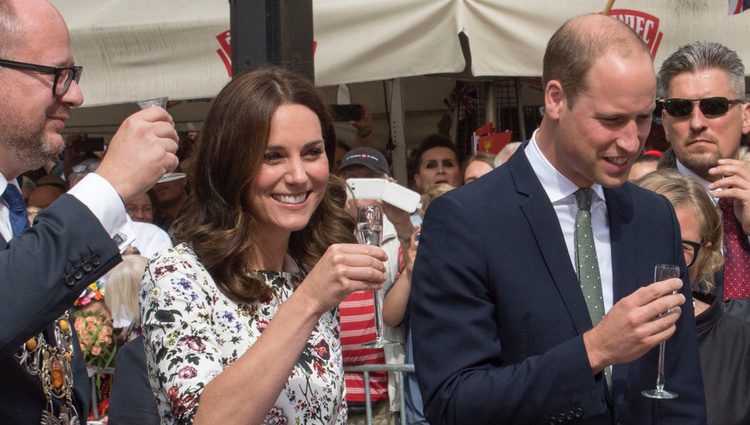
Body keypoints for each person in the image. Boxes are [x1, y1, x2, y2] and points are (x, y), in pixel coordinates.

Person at [410, 14, 705, 425]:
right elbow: (454, 401)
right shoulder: (466, 220)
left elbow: (678, 386)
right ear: (555, 98)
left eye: (642, 118)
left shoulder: (653, 217)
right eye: (611, 120)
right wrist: (593, 351)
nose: (632, 141)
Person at [140, 67, 388, 425]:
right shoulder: (177, 275)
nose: (299, 175)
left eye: (312, 152)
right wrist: (307, 303)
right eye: (273, 156)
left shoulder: (305, 272)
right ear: (230, 162)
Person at [0, 0, 178, 423]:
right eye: (58, 75)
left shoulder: (12, 205)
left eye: (73, 76)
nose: (75, 95)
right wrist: (109, 185)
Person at [638, 169, 750, 425]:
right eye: (648, 243)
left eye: (682, 248)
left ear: (706, 251)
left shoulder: (740, 343)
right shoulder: (594, 324)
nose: (662, 262)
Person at [657, 41, 750, 302]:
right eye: (681, 109)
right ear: (665, 123)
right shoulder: (640, 207)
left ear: (745, 117)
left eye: (714, 106)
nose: (697, 123)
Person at [337, 147, 406, 425]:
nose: (361, 192)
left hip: (379, 397)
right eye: (353, 182)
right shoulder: (322, 235)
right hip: (333, 391)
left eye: (370, 181)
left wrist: (401, 215)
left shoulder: (400, 236)